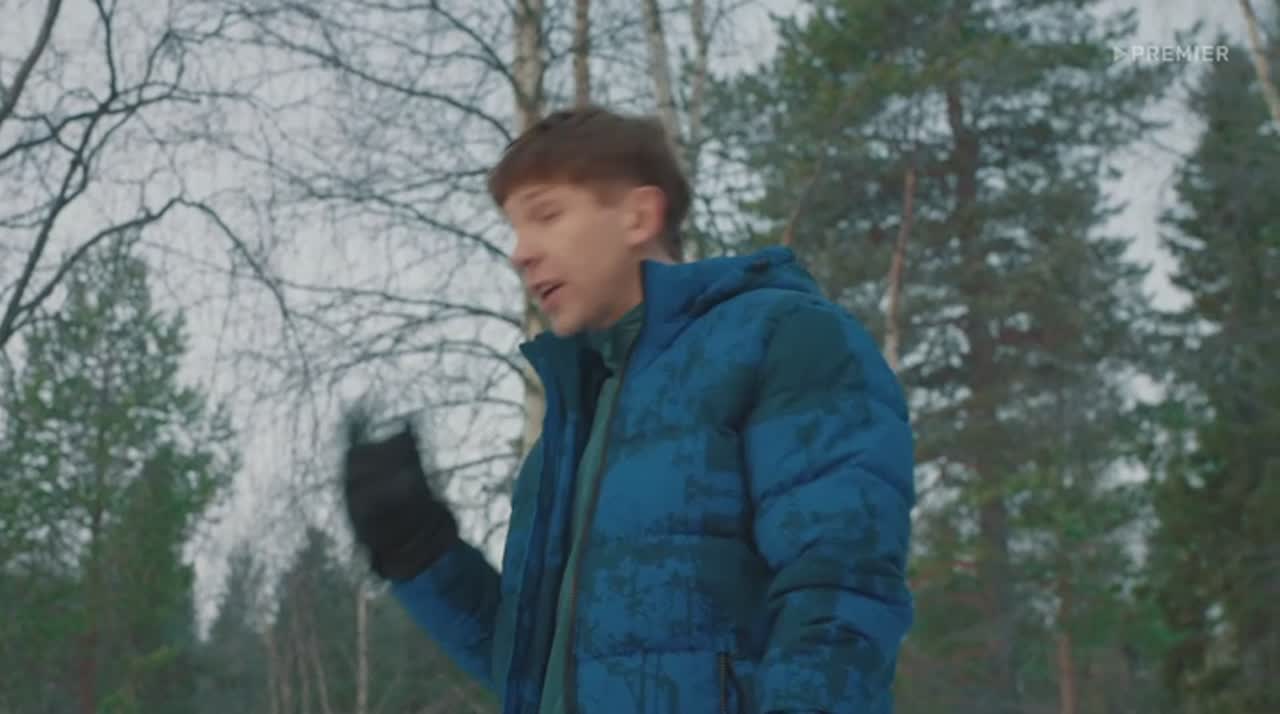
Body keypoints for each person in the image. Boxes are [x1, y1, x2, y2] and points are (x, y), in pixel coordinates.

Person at [341, 105, 916, 714]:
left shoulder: (781, 339)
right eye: (514, 228)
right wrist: (421, 555)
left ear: (639, 216)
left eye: (546, 214)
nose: (520, 253)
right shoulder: (576, 425)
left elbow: (839, 595)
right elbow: (535, 672)